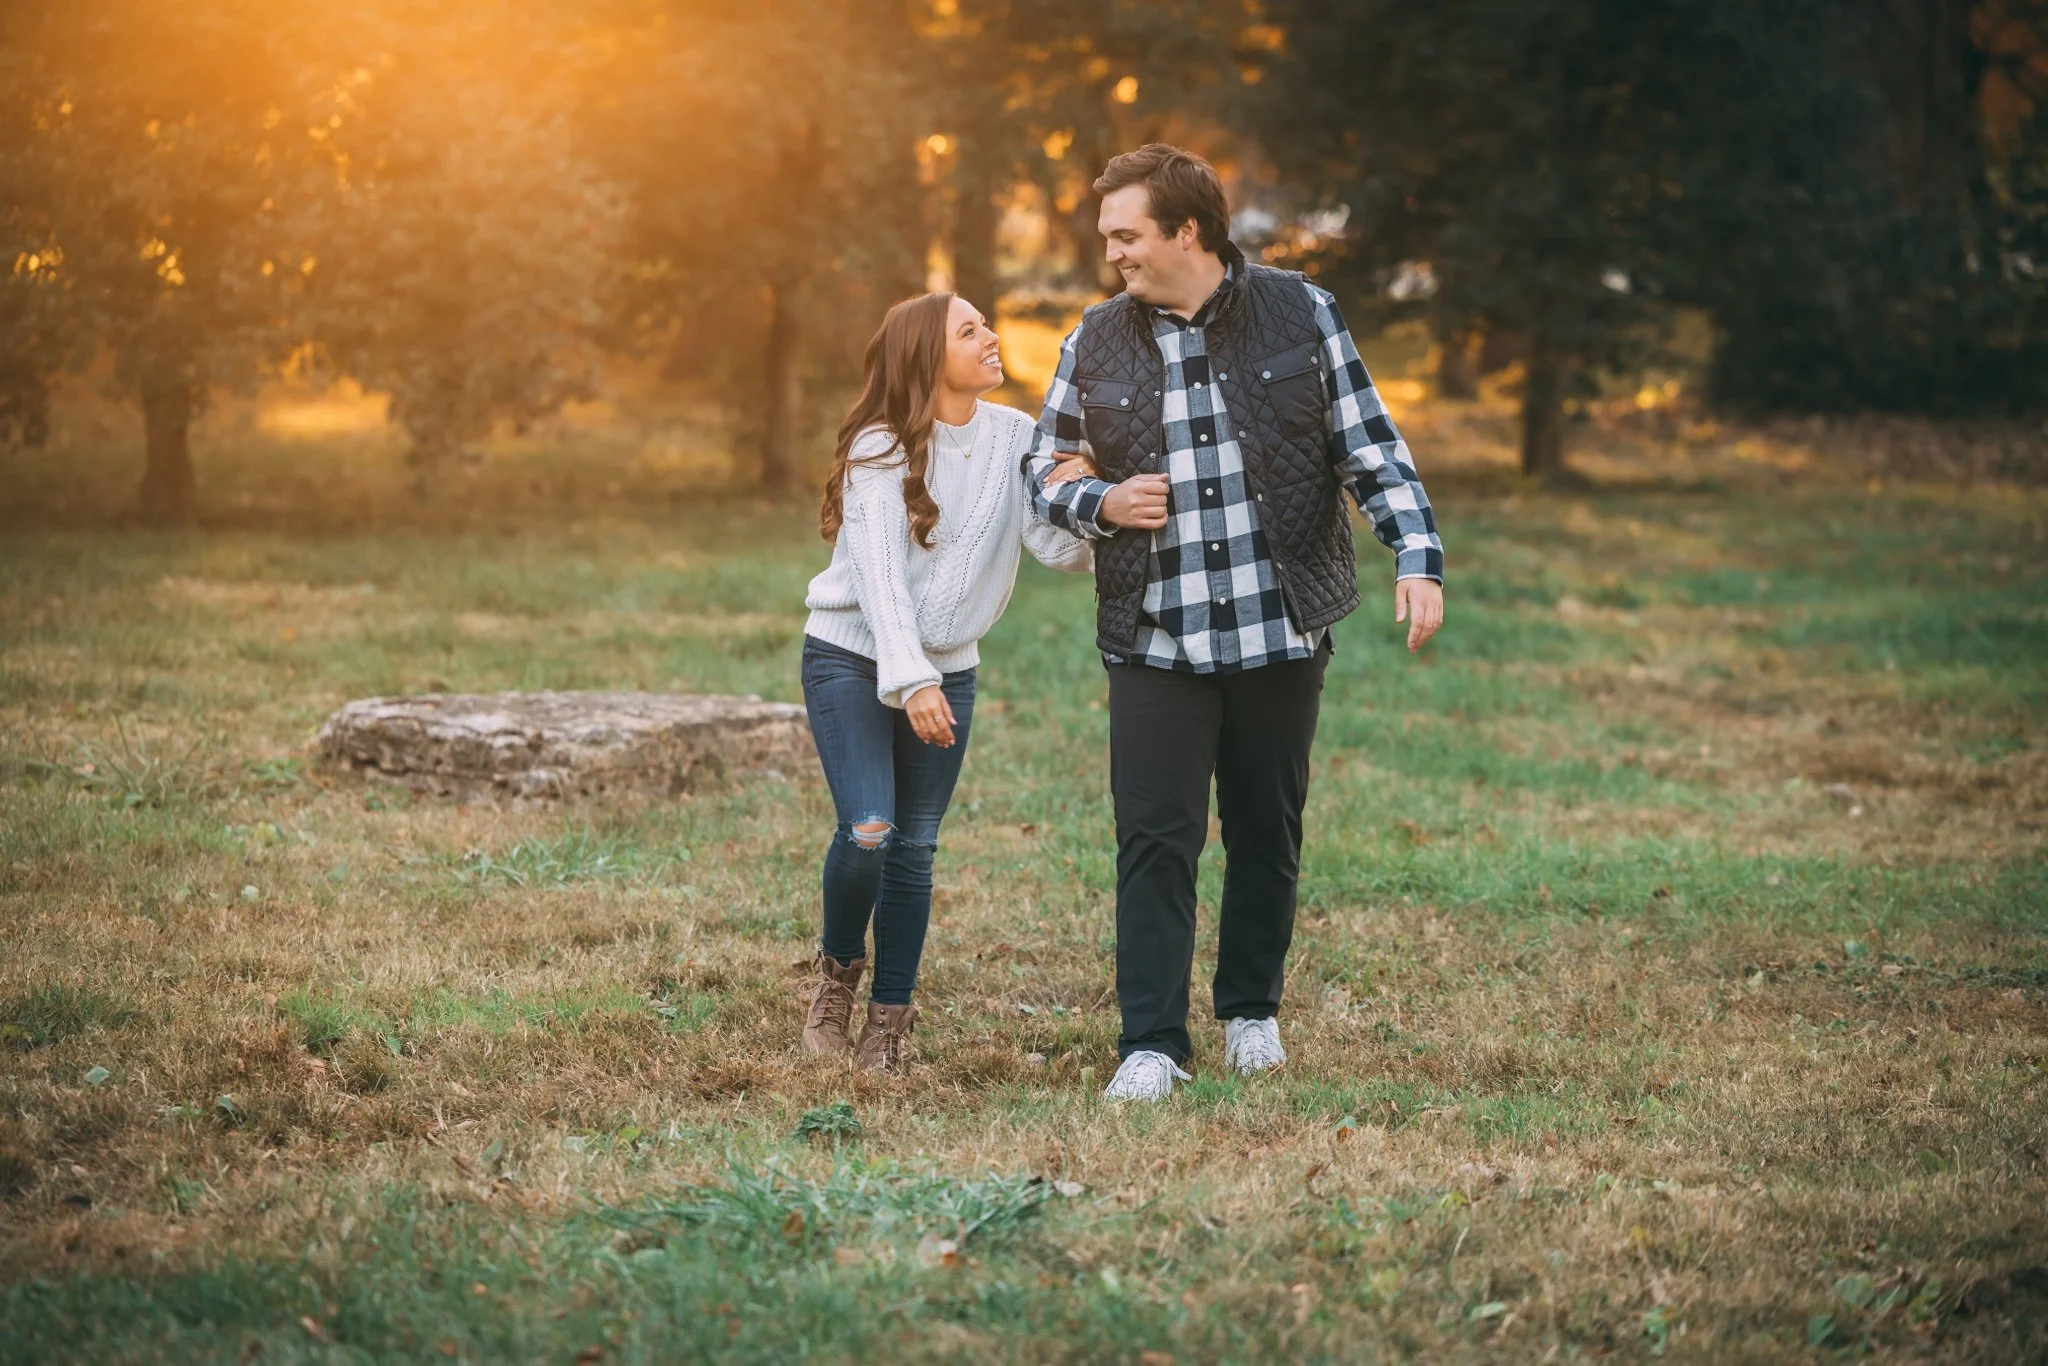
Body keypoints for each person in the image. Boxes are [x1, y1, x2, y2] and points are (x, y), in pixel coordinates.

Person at [1025, 144, 1446, 1101]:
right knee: (1154, 837)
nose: (1113, 254)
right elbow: (1044, 466)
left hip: (1278, 628)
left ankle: (1251, 1013)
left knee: (1266, 830)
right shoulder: (1096, 338)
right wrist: (1100, 502)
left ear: (1188, 230)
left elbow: (1370, 448)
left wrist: (1416, 558)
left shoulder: (1301, 312)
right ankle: (1152, 1044)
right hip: (1155, 634)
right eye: (1107, 237)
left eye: (1127, 235)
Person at [799, 291, 1092, 1073]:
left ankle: (889, 1022)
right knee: (870, 828)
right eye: (970, 331)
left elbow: (1051, 546)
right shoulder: (880, 447)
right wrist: (912, 678)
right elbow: (880, 579)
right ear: (929, 358)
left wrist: (1094, 502)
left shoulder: (1015, 436)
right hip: (851, 656)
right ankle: (835, 976)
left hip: (949, 667)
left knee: (915, 845)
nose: (991, 337)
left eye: (984, 325)